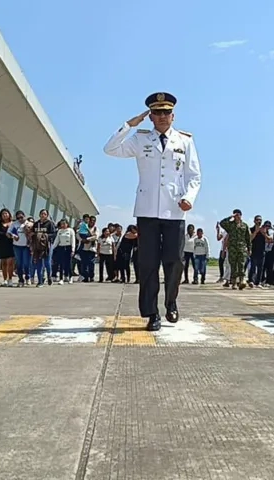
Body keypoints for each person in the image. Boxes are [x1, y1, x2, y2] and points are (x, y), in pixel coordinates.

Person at [103, 92, 202, 331]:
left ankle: (171, 302)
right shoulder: (140, 139)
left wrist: (189, 197)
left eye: (166, 112)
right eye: (156, 112)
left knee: (175, 261)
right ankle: (151, 312)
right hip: (147, 210)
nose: (162, 117)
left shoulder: (185, 141)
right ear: (150, 116)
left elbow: (194, 176)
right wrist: (129, 124)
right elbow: (110, 149)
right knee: (147, 263)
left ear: (173, 115)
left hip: (175, 210)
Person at [220, 209, 251, 289]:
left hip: (242, 248)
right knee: (233, 266)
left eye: (238, 215)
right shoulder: (230, 225)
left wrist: (249, 249)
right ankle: (233, 283)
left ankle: (241, 281)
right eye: (235, 215)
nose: (237, 216)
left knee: (241, 265)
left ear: (241, 215)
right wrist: (230, 217)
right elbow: (222, 223)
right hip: (232, 248)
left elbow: (248, 238)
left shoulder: (245, 225)